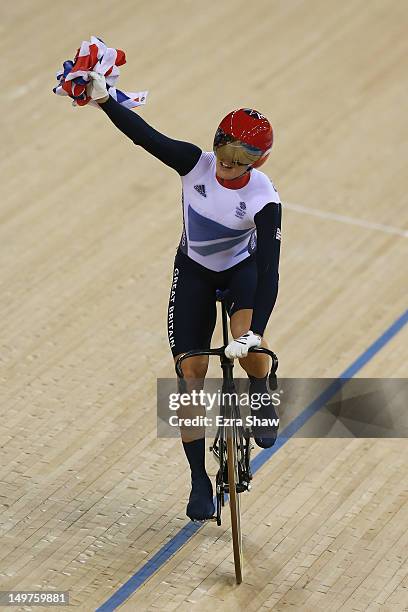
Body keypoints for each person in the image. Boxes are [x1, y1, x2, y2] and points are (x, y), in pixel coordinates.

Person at [86, 72, 282, 521]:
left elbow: (270, 270)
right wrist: (104, 102)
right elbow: (145, 136)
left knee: (245, 340)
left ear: (257, 162)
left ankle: (260, 387)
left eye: (240, 160)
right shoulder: (195, 163)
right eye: (225, 154)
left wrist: (253, 333)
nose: (227, 166)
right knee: (190, 374)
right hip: (193, 272)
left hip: (242, 274)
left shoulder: (263, 198)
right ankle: (198, 479)